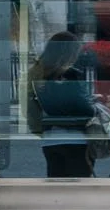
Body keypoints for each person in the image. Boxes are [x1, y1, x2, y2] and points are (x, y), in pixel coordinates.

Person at [33, 29, 97, 178]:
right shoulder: (71, 74)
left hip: (50, 140)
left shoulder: (40, 74)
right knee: (77, 192)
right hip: (76, 141)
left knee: (57, 190)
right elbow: (86, 110)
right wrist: (93, 102)